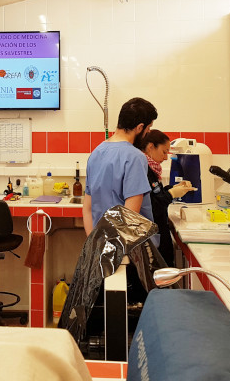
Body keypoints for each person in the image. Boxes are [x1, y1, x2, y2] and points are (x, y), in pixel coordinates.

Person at [83, 97, 158, 235]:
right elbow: (130, 215)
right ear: (140, 127)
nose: (148, 133)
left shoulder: (96, 153)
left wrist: (93, 244)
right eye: (148, 128)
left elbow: (87, 208)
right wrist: (121, 253)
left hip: (101, 244)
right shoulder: (135, 157)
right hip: (127, 248)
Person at [139, 130, 195, 267]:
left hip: (160, 231)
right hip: (153, 234)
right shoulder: (142, 169)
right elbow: (152, 205)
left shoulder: (151, 169)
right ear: (151, 147)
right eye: (164, 152)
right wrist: (172, 194)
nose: (165, 158)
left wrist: (172, 188)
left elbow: (156, 193)